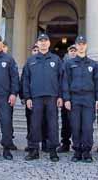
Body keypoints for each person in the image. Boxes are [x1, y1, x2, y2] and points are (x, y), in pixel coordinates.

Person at [23, 33, 62, 162]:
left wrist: (61, 96)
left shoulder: (56, 60)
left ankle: (53, 151)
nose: (43, 43)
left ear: (49, 43)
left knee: (52, 125)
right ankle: (34, 150)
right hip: (36, 98)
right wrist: (27, 97)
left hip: (52, 97)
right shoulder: (31, 61)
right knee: (35, 125)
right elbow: (25, 80)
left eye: (46, 41)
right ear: (37, 44)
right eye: (41, 41)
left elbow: (62, 79)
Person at [61, 35, 98, 163]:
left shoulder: (93, 64)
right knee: (75, 126)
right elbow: (65, 82)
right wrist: (66, 99)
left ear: (86, 46)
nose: (81, 46)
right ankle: (77, 151)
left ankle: (87, 152)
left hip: (89, 98)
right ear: (76, 46)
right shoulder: (69, 64)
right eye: (79, 44)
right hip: (74, 98)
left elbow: (97, 82)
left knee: (88, 126)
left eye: (83, 44)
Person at [58, 44, 77, 153]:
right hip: (66, 98)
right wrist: (61, 97)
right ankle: (65, 143)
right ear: (68, 53)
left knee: (78, 123)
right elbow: (60, 82)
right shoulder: (62, 66)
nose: (73, 52)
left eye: (75, 50)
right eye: (71, 50)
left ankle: (77, 144)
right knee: (66, 123)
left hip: (78, 98)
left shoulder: (83, 63)